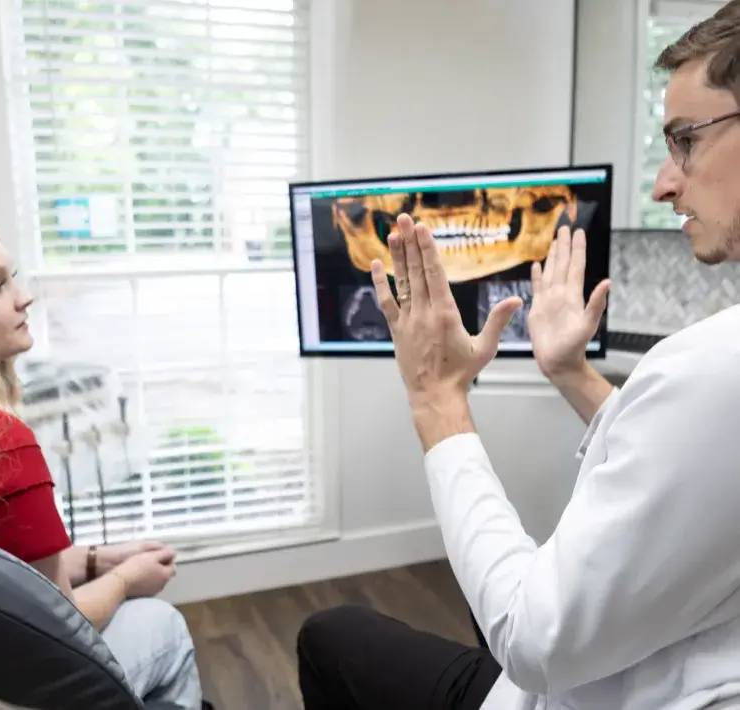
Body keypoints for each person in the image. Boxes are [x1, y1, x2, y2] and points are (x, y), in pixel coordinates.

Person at [296, 2, 740, 709]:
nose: (662, 181)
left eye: (685, 139)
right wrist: (571, 372)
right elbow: (703, 464)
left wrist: (436, 401)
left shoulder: (715, 366)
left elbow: (532, 640)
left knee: (331, 632)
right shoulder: (711, 384)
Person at [0, 211, 206, 710]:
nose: (23, 297)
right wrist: (127, 580)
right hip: (7, 684)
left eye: (11, 278)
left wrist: (96, 560)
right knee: (163, 625)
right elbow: (66, 621)